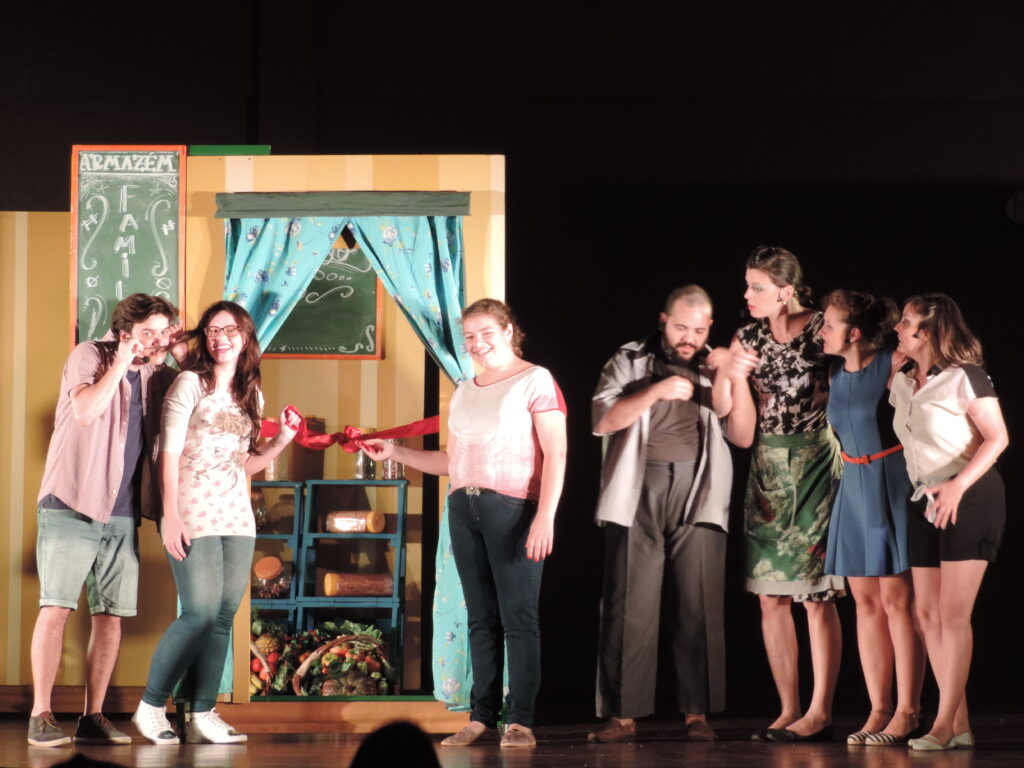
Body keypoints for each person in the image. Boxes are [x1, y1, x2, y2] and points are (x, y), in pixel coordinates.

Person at [361, 298, 567, 749]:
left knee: (518, 617)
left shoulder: (535, 379)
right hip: (463, 508)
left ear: (508, 330)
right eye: (469, 336)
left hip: (513, 508)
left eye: (486, 333)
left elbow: (556, 452)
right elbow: (449, 462)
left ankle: (521, 721)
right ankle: (481, 717)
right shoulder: (464, 390)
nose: (477, 343)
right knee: (480, 617)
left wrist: (546, 516)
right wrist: (395, 451)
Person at [132, 301, 301, 745]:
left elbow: (243, 465)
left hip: (236, 513)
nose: (220, 338)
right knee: (200, 612)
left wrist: (283, 440)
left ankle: (202, 712)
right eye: (212, 331)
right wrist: (170, 514)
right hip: (191, 507)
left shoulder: (251, 394)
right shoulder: (190, 383)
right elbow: (168, 453)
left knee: (223, 616)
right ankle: (151, 705)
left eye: (229, 330)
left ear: (245, 337)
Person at [586, 285, 750, 743]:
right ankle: (622, 716)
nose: (688, 338)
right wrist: (655, 392)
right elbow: (602, 420)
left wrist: (732, 377)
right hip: (638, 489)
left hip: (699, 490)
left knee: (698, 603)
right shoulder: (630, 359)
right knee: (629, 605)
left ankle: (697, 714)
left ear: (709, 327)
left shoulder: (715, 363)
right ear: (663, 320)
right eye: (680, 327)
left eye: (698, 330)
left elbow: (741, 435)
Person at [28, 294, 183, 747]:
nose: (154, 341)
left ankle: (92, 716)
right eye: (146, 333)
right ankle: (40, 714)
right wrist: (122, 361)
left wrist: (173, 351)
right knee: (56, 608)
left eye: (162, 332)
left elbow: (198, 393)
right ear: (123, 333)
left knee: (111, 616)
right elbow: (86, 411)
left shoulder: (157, 374)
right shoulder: (90, 355)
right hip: (71, 502)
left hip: (122, 511)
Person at [714, 245, 845, 742]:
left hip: (815, 464)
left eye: (758, 287)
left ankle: (820, 710)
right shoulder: (747, 337)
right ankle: (788, 709)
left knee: (816, 595)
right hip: (767, 467)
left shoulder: (821, 328)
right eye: (747, 286)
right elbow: (742, 434)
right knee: (771, 596)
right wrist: (735, 375)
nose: (747, 295)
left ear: (786, 291)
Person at [889, 294, 1007, 751]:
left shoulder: (964, 376)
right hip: (925, 498)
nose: (897, 328)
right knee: (926, 614)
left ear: (928, 333)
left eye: (906, 322)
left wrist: (958, 485)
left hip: (969, 496)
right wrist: (897, 366)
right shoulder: (904, 381)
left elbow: (997, 438)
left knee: (953, 616)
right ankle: (958, 724)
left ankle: (942, 725)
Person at [818, 290, 925, 745]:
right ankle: (878, 709)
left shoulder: (891, 363)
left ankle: (908, 710)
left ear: (855, 332)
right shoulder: (834, 371)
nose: (821, 330)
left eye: (829, 323)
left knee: (897, 601)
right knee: (864, 603)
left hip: (889, 481)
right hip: (853, 487)